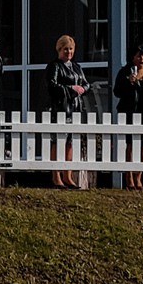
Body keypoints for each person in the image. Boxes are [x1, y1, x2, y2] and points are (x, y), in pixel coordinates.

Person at [48, 32, 92, 189]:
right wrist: (70, 89)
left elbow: (87, 84)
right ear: (59, 49)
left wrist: (81, 89)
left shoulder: (76, 67)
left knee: (70, 142)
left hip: (75, 107)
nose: (69, 52)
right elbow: (52, 86)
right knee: (57, 140)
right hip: (61, 107)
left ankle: (68, 175)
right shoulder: (54, 66)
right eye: (66, 49)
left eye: (71, 49)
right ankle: (56, 176)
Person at [113, 44, 143, 192]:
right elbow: (117, 92)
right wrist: (129, 82)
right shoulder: (125, 72)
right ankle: (129, 177)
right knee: (130, 144)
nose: (142, 59)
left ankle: (139, 177)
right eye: (139, 56)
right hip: (129, 112)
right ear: (132, 58)